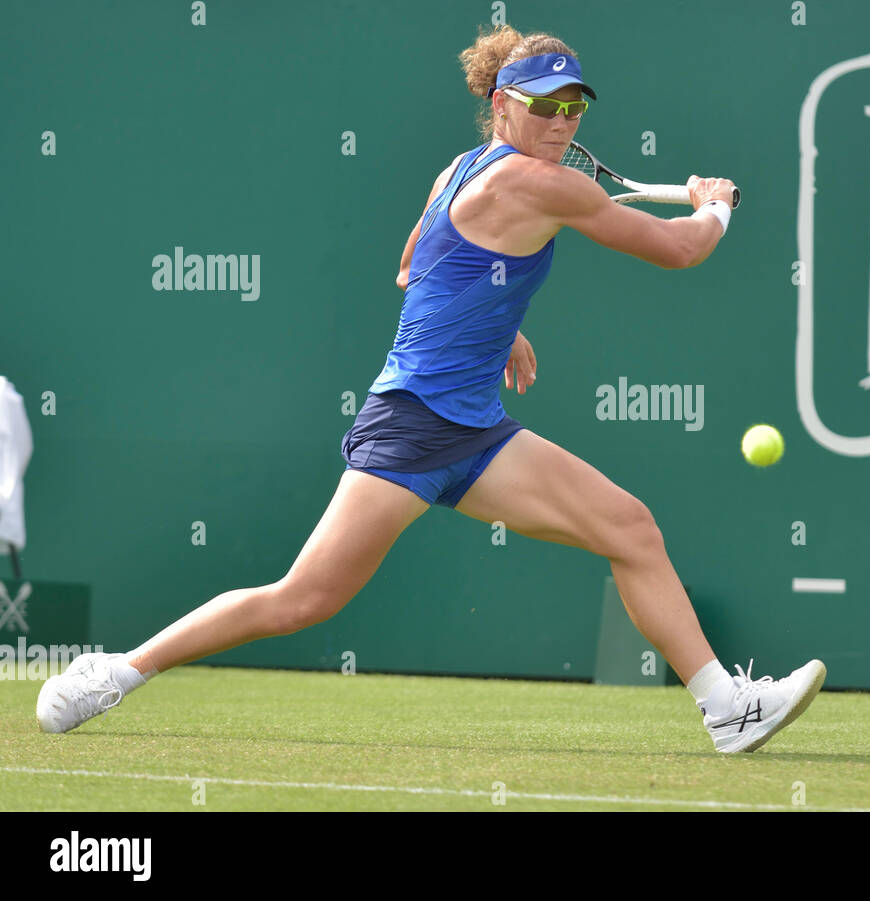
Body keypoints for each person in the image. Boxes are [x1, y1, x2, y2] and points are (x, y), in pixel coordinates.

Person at [36, 24, 825, 754]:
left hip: (476, 429)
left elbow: (417, 262)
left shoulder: (459, 170)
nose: (561, 122)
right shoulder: (544, 187)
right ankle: (117, 671)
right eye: (542, 105)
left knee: (630, 526)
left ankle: (727, 706)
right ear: (500, 103)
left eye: (573, 106)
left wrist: (497, 318)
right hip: (412, 425)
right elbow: (679, 251)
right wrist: (714, 209)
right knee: (304, 598)